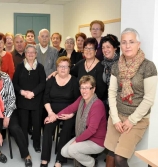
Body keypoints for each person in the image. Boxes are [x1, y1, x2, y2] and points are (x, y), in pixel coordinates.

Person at [104, 28, 157, 167]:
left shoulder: (148, 66)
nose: (127, 46)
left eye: (131, 42)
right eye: (124, 42)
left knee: (120, 158)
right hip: (117, 116)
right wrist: (115, 118)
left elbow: (149, 99)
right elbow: (112, 92)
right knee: (109, 152)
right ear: (120, 45)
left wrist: (131, 120)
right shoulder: (117, 66)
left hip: (137, 119)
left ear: (138, 44)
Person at [0, 53, 33, 167]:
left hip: (9, 109)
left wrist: (7, 115)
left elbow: (12, 98)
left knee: (15, 127)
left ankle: (26, 155)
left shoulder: (6, 77)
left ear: (0, 66)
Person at [59, 75, 107, 167]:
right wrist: (54, 116)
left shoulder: (97, 105)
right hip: (84, 135)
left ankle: (91, 163)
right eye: (82, 88)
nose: (84, 91)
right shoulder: (81, 100)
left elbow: (92, 130)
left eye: (87, 88)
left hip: (97, 141)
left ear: (93, 89)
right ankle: (86, 158)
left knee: (71, 150)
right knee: (64, 152)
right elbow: (71, 108)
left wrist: (77, 141)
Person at [40, 57, 79, 167]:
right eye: (60, 66)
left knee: (66, 129)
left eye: (65, 66)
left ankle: (60, 160)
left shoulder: (74, 81)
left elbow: (77, 101)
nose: (63, 69)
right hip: (52, 111)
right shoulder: (51, 80)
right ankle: (44, 159)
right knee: (47, 128)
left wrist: (72, 114)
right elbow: (46, 99)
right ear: (57, 68)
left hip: (68, 112)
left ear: (69, 68)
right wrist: (51, 113)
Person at [13, 44, 46, 153]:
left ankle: (37, 145)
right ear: (25, 54)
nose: (30, 54)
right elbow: (15, 83)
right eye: (28, 52)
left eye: (33, 52)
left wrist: (33, 93)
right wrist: (22, 92)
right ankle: (24, 145)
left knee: (37, 125)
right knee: (23, 125)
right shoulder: (19, 66)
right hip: (23, 100)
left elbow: (43, 83)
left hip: (36, 100)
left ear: (36, 54)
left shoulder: (40, 67)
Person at [101, 34, 120, 117]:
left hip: (119, 104)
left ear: (115, 47)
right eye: (103, 47)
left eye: (108, 47)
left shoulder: (121, 63)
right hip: (107, 103)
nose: (105, 50)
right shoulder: (102, 64)